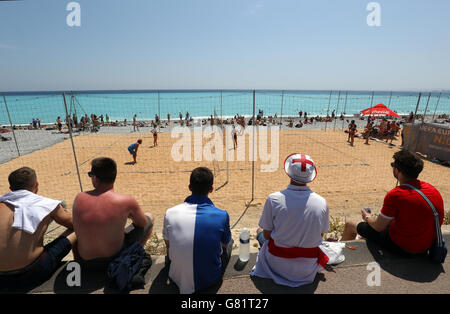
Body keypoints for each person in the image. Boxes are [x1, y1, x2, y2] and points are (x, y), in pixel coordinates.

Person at [341, 150, 444, 256]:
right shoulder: (432, 190)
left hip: (403, 248)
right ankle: (363, 237)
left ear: (397, 171)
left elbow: (378, 227)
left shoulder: (396, 194)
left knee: (351, 224)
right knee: (378, 227)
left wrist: (367, 217)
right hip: (425, 247)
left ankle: (338, 252)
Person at [250, 154, 330, 287]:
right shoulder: (322, 202)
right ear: (311, 176)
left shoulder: (273, 199)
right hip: (307, 267)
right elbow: (321, 234)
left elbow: (267, 235)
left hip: (277, 263)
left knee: (260, 233)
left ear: (288, 173)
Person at [0, 167, 76, 291]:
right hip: (31, 273)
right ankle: (81, 267)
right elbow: (74, 224)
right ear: (36, 184)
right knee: (77, 230)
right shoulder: (46, 204)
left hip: (1, 278)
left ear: (10, 188)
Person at [72, 158, 153, 268]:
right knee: (150, 217)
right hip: (113, 259)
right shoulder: (126, 201)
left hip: (86, 262)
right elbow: (142, 223)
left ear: (95, 178)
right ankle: (133, 255)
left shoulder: (79, 198)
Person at [162, 167, 232, 294]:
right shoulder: (222, 214)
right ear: (211, 189)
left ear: (189, 187)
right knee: (229, 241)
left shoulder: (170, 213)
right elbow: (225, 244)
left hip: (176, 278)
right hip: (210, 280)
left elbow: (168, 245)